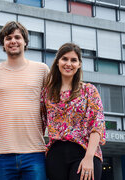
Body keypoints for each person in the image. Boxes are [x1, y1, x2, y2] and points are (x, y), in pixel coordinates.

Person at [0, 21, 49, 180]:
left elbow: (51, 106)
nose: (13, 41)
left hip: (35, 151)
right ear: (3, 44)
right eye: (8, 38)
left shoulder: (42, 69)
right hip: (1, 153)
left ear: (25, 42)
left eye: (17, 37)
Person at [41, 43, 106, 180]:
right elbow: (39, 122)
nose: (68, 63)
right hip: (56, 155)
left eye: (73, 60)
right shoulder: (47, 93)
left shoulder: (89, 91)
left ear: (79, 64)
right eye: (64, 59)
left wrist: (89, 158)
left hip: (84, 152)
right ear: (58, 62)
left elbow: (97, 125)